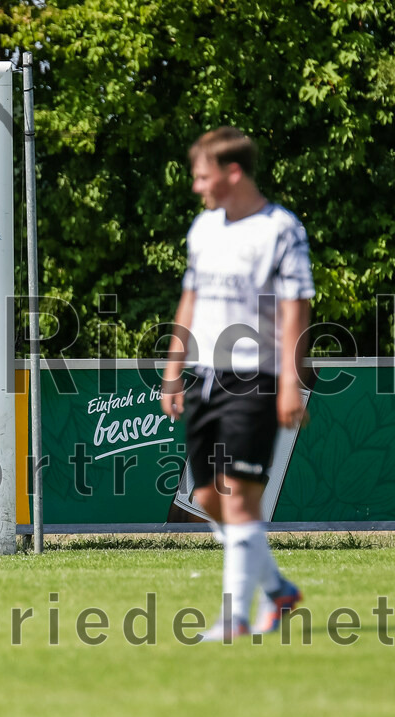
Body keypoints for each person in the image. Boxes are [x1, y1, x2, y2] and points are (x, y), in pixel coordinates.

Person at [161, 127, 313, 641]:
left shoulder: (281, 229)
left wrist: (291, 381)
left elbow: (296, 309)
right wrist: (173, 370)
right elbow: (191, 299)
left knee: (241, 496)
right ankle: (277, 590)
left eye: (203, 177)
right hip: (205, 375)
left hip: (259, 377)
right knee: (206, 497)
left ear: (232, 173)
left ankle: (234, 618)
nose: (196, 187)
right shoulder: (203, 228)